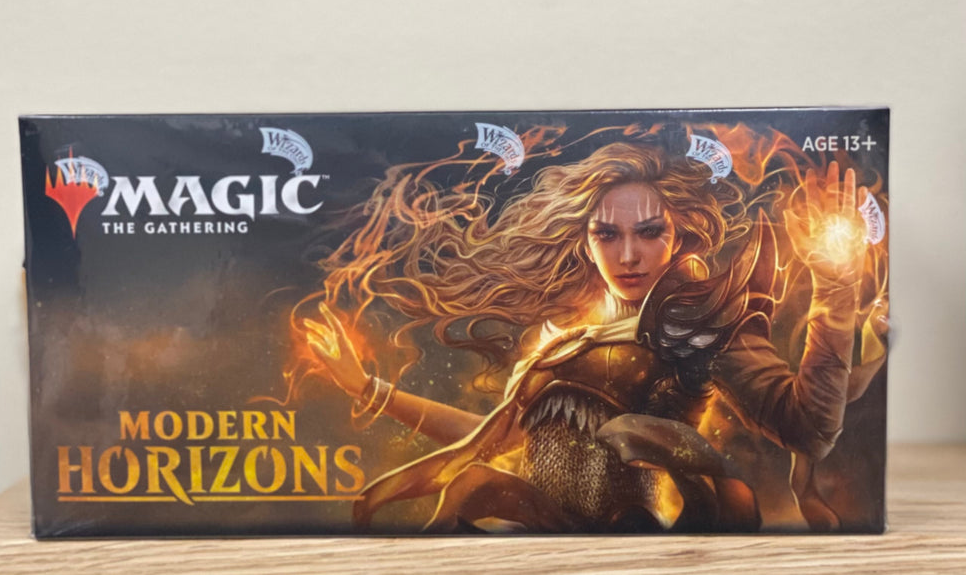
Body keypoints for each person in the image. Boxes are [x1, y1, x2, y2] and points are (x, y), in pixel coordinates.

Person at [302, 142, 888, 532]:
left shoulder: (698, 325)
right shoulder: (560, 338)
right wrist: (369, 389)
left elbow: (808, 427)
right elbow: (490, 440)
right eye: (607, 235)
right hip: (538, 537)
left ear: (678, 236)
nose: (628, 256)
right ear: (585, 241)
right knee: (468, 488)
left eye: (649, 232)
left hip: (638, 543)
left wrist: (835, 294)